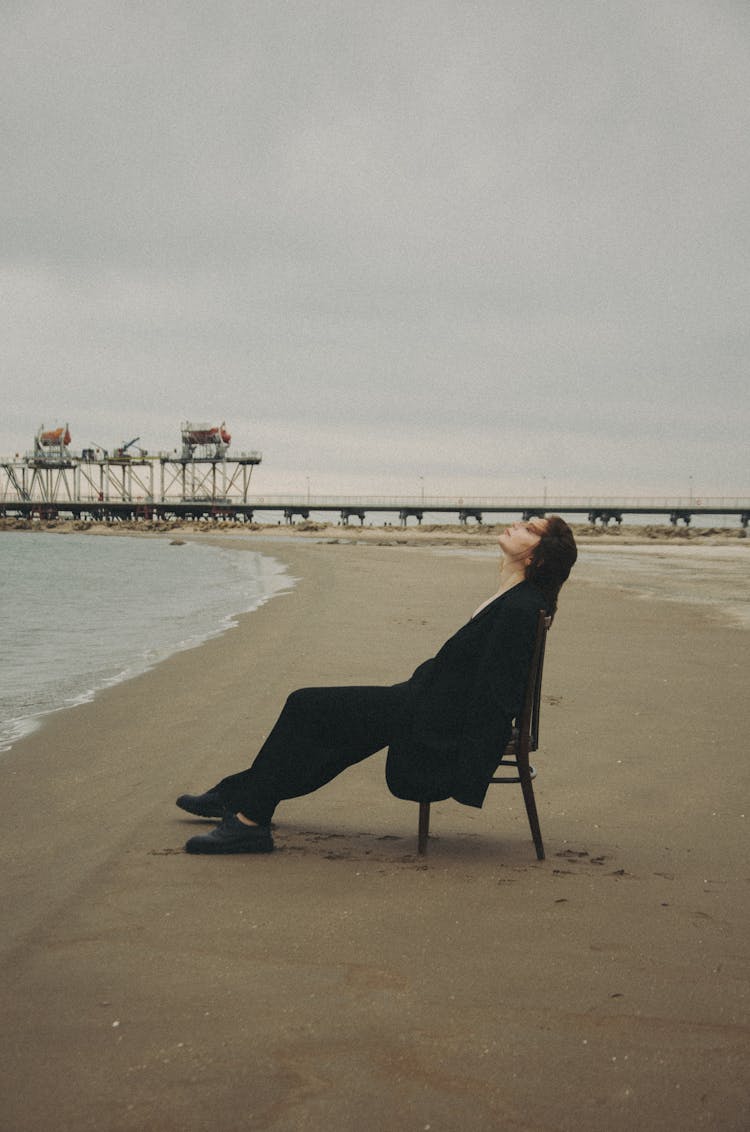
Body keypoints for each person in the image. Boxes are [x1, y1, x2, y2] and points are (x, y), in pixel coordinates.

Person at [177, 515, 577, 854]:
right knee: (336, 738)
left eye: (529, 528)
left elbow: (498, 688)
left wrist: (467, 745)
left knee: (305, 706)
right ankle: (242, 798)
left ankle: (248, 819)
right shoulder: (516, 596)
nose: (516, 525)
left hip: (430, 712)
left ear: (536, 556)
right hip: (420, 698)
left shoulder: (521, 608)